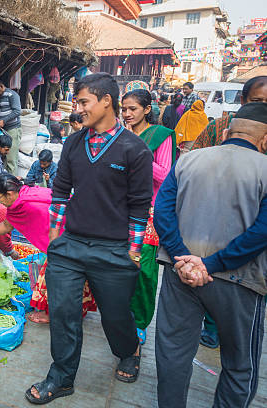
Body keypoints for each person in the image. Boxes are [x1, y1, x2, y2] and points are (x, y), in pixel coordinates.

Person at [25, 73, 153, 404]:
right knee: (64, 312)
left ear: (106, 101)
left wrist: (134, 253)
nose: (78, 109)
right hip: (69, 246)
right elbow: (60, 193)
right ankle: (62, 377)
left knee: (115, 315)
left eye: (84, 102)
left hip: (113, 250)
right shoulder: (72, 144)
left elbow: (140, 206)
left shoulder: (135, 149)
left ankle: (129, 349)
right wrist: (55, 240)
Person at [153, 102, 267, 408]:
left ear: (227, 132)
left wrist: (183, 258)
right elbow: (261, 232)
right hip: (239, 279)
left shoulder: (189, 160)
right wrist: (211, 263)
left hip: (181, 273)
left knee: (172, 353)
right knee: (239, 362)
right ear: (266, 141)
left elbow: (162, 212)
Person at [0, 173, 95, 324]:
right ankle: (74, 310)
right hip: (84, 231)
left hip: (69, 239)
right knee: (77, 276)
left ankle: (51, 314)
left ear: (10, 193)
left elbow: (11, 225)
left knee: (53, 276)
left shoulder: (27, 206)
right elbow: (8, 224)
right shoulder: (27, 194)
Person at [121, 89, 176, 345]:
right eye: (124, 109)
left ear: (146, 109)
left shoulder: (161, 136)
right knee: (117, 265)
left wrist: (136, 154)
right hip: (118, 209)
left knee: (143, 270)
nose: (127, 114)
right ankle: (119, 316)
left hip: (148, 212)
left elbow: (165, 175)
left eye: (132, 109)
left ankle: (139, 323)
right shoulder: (118, 134)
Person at [192, 75, 267, 151]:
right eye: (256, 101)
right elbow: (196, 157)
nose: (262, 106)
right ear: (242, 101)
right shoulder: (217, 126)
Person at [0, 80, 22, 175]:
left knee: (11, 158)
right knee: (3, 158)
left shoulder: (12, 95)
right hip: (3, 131)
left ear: (1, 86)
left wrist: (4, 120)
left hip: (12, 129)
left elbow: (17, 111)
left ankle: (12, 184)